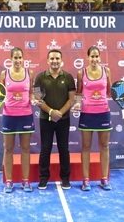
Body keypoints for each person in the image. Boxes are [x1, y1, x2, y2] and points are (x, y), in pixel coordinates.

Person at [34, 49, 76, 190]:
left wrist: (60, 113)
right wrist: (52, 112)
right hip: (46, 119)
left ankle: (65, 178)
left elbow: (72, 99)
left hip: (64, 120)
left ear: (61, 60)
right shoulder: (40, 77)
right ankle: (43, 178)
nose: (55, 61)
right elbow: (38, 100)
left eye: (57, 58)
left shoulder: (68, 77)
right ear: (47, 61)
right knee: (45, 149)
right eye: (52, 58)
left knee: (64, 149)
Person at [73, 46, 112, 191]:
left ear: (100, 58)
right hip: (87, 114)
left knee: (104, 146)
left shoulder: (106, 71)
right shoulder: (81, 73)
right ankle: (86, 180)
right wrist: (77, 103)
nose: (94, 59)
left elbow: (109, 91)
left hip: (103, 112)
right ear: (87, 57)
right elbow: (78, 93)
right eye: (92, 56)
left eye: (97, 56)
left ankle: (104, 179)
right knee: (86, 147)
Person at [0, 47, 35, 193]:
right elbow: (0, 94)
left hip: (26, 115)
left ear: (23, 59)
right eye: (15, 58)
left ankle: (25, 181)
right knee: (8, 149)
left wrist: (33, 100)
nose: (18, 60)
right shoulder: (4, 74)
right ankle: (9, 182)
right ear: (11, 59)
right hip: (9, 116)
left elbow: (32, 94)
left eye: (20, 58)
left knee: (25, 149)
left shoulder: (29, 73)